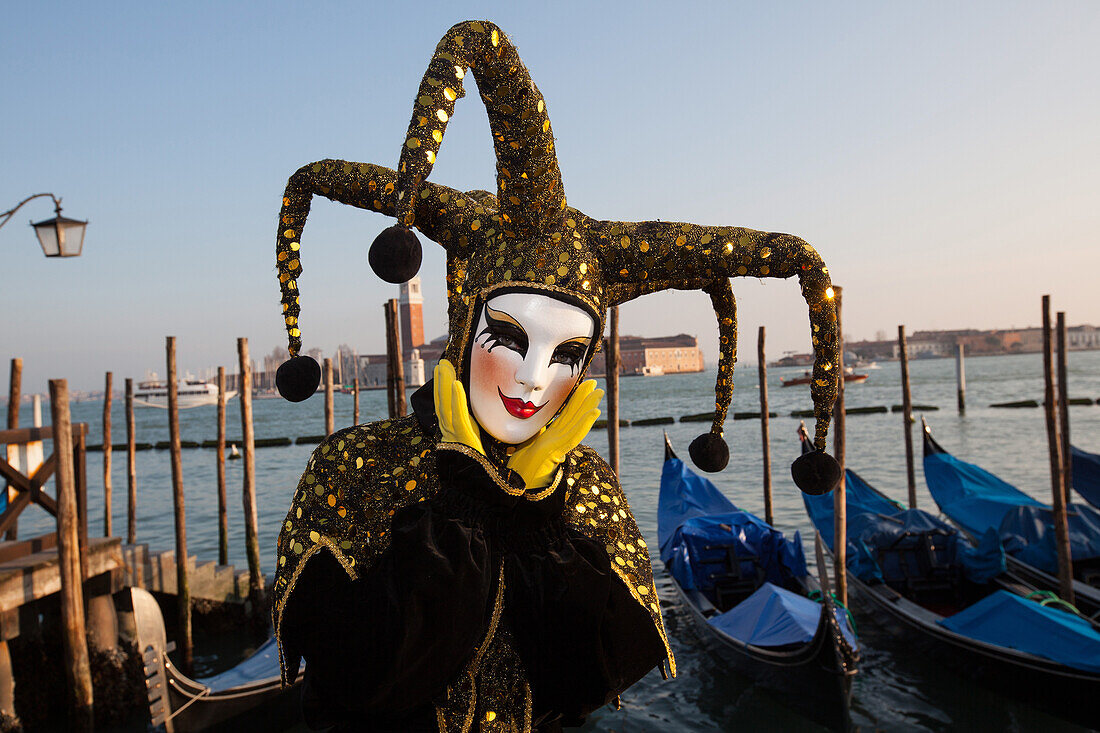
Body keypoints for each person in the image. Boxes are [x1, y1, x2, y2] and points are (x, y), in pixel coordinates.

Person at [269, 20, 841, 732]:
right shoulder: (354, 465)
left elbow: (595, 674)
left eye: (567, 353)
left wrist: (539, 514)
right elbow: (361, 675)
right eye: (508, 338)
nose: (534, 378)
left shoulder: (584, 486)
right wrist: (470, 498)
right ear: (465, 319)